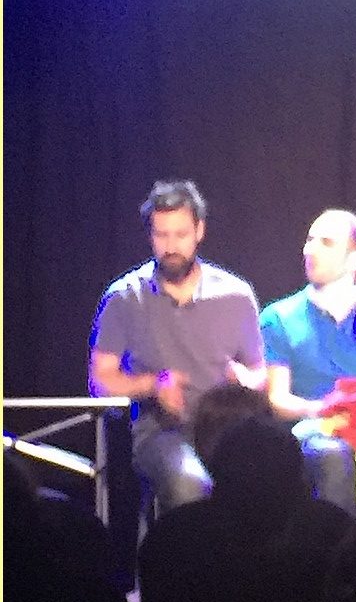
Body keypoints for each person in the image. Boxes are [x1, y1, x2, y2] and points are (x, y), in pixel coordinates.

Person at [89, 179, 265, 516]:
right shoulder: (125, 297)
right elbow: (101, 381)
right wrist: (153, 385)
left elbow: (259, 373)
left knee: (268, 478)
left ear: (200, 231)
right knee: (190, 483)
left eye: (181, 235)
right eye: (162, 235)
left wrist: (246, 381)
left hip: (227, 429)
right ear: (150, 236)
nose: (171, 246)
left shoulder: (236, 295)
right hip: (162, 433)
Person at [260, 208, 356, 513]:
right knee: (334, 456)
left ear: (355, 259)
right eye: (310, 240)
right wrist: (325, 408)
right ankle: (338, 541)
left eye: (326, 243)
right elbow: (277, 400)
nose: (311, 250)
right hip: (315, 427)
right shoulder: (279, 317)